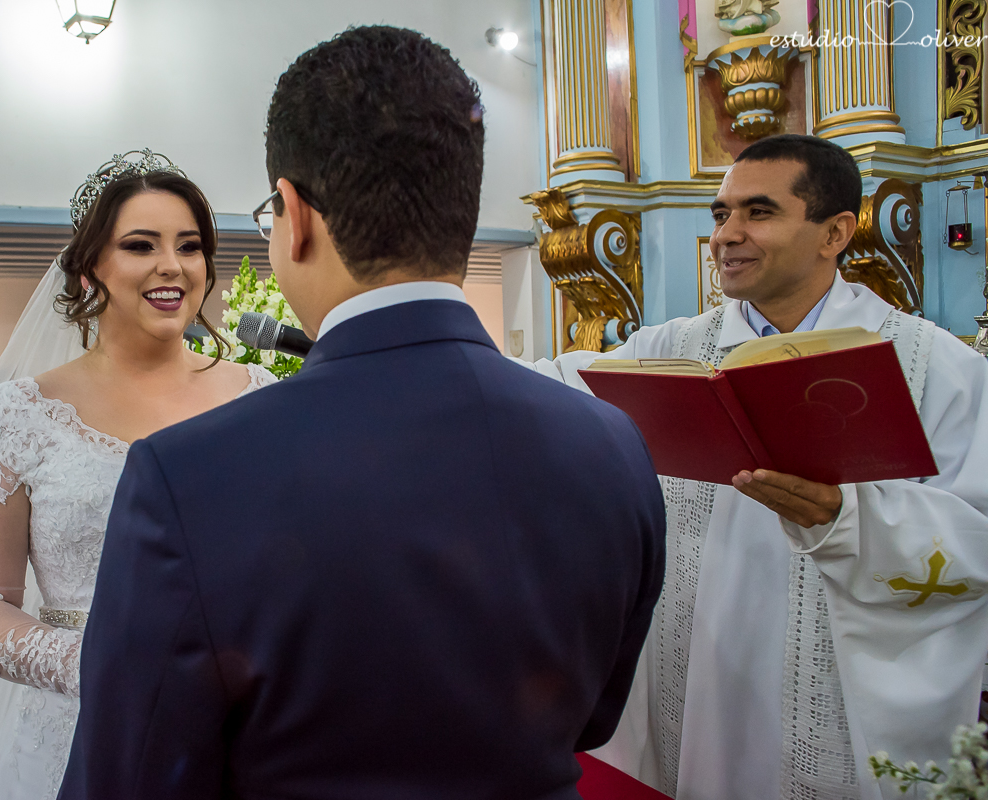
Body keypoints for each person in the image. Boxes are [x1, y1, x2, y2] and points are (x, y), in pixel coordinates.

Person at [59, 26, 665, 800]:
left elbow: (131, 779)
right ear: (463, 206)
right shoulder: (612, 443)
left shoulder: (188, 473)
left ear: (294, 215)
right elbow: (591, 717)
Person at [519, 134, 988, 800]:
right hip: (701, 666)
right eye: (720, 214)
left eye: (758, 213)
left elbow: (977, 535)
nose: (727, 235)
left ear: (836, 232)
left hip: (839, 685)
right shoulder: (673, 349)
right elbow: (541, 392)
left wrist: (845, 516)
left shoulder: (933, 366)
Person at [0, 151, 276, 800]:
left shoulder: (259, 398)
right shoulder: (20, 415)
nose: (171, 266)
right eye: (140, 245)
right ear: (92, 264)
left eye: (189, 246)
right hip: (79, 722)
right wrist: (95, 666)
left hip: (241, 719)